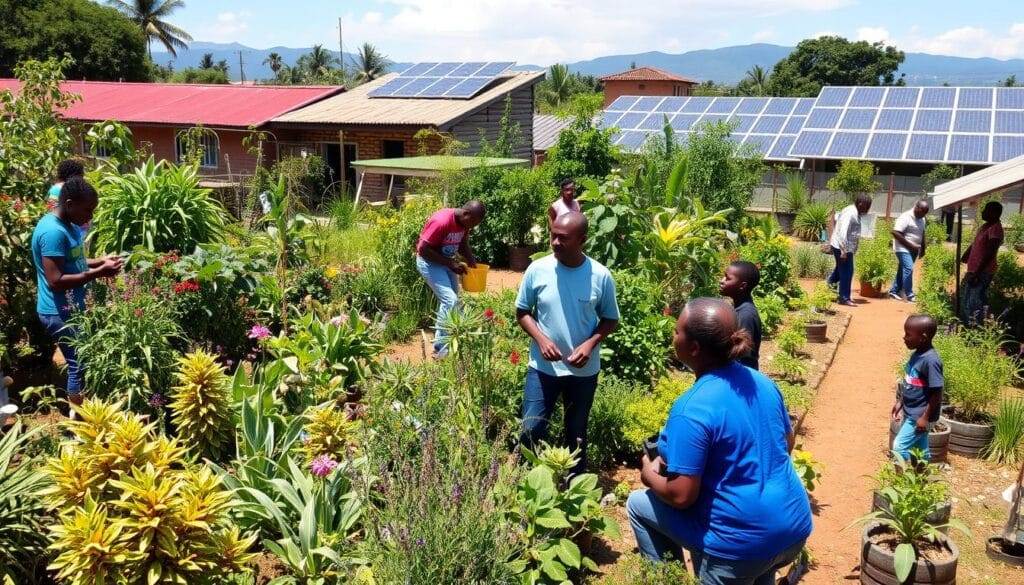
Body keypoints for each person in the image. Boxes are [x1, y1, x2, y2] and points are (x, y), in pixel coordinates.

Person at [626, 298, 812, 584]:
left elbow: (681, 495)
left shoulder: (692, 407)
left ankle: (670, 578)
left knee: (639, 504)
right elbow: (785, 444)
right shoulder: (761, 382)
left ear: (694, 348)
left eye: (676, 331)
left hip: (738, 544)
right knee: (761, 565)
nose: (672, 335)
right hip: (793, 526)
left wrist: (648, 474)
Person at [516, 212, 619, 476]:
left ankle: (575, 486)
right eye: (553, 235)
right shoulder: (537, 269)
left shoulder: (600, 275)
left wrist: (590, 344)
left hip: (583, 372)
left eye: (564, 238)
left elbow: (610, 319)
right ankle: (526, 478)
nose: (555, 242)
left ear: (582, 240)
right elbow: (522, 312)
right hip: (542, 369)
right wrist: (541, 339)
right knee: (532, 427)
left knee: (576, 431)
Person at [32, 177, 123, 408]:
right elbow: (56, 280)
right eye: (88, 210)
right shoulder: (52, 232)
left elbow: (74, 261)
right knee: (78, 364)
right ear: (70, 204)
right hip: (57, 311)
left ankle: (82, 410)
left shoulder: (69, 225)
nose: (90, 216)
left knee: (82, 359)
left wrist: (99, 261)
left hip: (71, 307)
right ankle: (81, 421)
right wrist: (100, 272)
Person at [415, 200, 485, 358]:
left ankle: (447, 340)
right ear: (466, 214)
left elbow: (462, 244)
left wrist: (471, 261)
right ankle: (442, 348)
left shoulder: (465, 223)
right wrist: (450, 263)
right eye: (473, 223)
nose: (472, 227)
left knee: (453, 302)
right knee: (450, 300)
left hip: (446, 262)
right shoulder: (442, 221)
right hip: (429, 263)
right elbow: (423, 249)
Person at [891, 314, 943, 462]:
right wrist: (901, 401)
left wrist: (925, 418)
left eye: (908, 335)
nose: (904, 338)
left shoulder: (931, 361)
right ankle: (922, 478)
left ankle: (901, 481)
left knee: (899, 446)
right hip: (911, 410)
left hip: (919, 415)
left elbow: (936, 392)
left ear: (923, 337)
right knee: (920, 450)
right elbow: (910, 382)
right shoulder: (917, 354)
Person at [960, 201, 1003, 325]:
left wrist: (977, 273)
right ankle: (970, 325)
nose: (982, 212)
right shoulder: (985, 226)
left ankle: (974, 327)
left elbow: (990, 253)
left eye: (986, 210)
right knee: (969, 297)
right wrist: (967, 254)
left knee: (974, 301)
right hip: (975, 270)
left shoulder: (995, 229)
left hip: (982, 271)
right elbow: (976, 243)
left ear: (995, 213)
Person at [828, 194, 872, 306]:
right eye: (867, 206)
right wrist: (843, 250)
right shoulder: (850, 212)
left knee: (840, 270)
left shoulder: (855, 211)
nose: (867, 209)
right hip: (842, 247)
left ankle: (827, 288)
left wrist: (853, 248)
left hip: (846, 248)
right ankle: (844, 298)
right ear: (861, 204)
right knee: (847, 271)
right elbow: (842, 231)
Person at [719, 260, 762, 370]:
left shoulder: (746, 315)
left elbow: (743, 357)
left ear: (742, 286)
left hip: (741, 379)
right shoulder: (739, 309)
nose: (721, 281)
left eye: (728, 278)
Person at [889, 200, 930, 302]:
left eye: (925, 213)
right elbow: (895, 233)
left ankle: (894, 291)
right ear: (916, 207)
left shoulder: (922, 218)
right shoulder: (905, 217)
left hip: (914, 249)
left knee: (902, 270)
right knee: (908, 268)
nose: (923, 215)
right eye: (922, 212)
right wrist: (911, 246)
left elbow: (922, 233)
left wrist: (923, 248)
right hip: (902, 248)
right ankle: (909, 295)